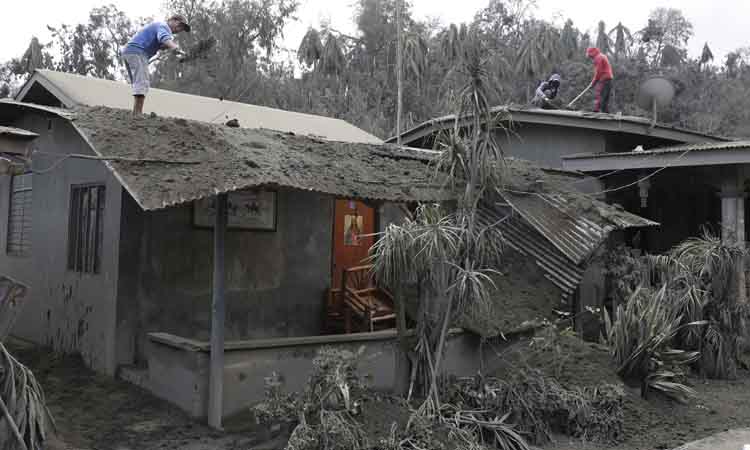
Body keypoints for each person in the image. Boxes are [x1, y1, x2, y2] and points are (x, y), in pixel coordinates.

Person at [122, 15, 191, 115]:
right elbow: (163, 38)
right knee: (143, 82)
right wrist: (175, 47)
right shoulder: (164, 26)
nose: (180, 30)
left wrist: (168, 48)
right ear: (171, 20)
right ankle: (137, 114)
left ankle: (136, 112)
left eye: (182, 29)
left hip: (129, 51)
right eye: (180, 25)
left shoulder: (159, 27)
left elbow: (162, 43)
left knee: (138, 83)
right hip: (137, 52)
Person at [585, 47, 614, 113]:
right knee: (605, 98)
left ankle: (596, 110)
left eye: (589, 56)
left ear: (591, 53)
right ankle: (605, 113)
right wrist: (594, 82)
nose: (590, 58)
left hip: (604, 79)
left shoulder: (598, 58)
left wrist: (593, 83)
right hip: (609, 79)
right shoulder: (601, 55)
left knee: (600, 95)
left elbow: (598, 73)